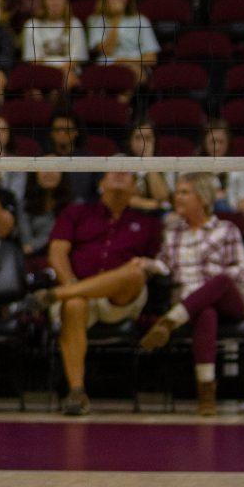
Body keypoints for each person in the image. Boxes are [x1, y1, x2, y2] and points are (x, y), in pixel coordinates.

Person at [29, 172, 162, 415]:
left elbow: (156, 264)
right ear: (101, 183)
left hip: (120, 300)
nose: (119, 175)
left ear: (135, 187)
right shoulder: (76, 212)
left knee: (135, 272)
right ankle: (77, 392)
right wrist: (70, 283)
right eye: (113, 171)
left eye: (126, 174)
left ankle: (55, 295)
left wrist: (65, 291)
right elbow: (57, 253)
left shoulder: (148, 222)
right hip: (77, 289)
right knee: (75, 304)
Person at [139, 173, 244, 415]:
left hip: (229, 301)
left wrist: (210, 282)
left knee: (220, 279)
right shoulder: (173, 234)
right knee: (206, 312)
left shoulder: (226, 229)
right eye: (177, 192)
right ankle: (206, 393)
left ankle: (169, 321)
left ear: (201, 198)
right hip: (192, 305)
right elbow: (164, 265)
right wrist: (146, 265)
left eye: (183, 192)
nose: (176, 197)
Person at [87, 0, 160, 87]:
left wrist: (126, 61)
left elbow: (151, 58)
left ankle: (120, 104)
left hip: (134, 65)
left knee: (131, 74)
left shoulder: (141, 20)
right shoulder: (95, 20)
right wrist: (117, 18)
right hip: (107, 65)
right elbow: (107, 50)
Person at [21, 0, 88, 90]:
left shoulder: (75, 23)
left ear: (65, 1)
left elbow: (75, 60)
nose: (55, 2)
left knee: (66, 78)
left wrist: (59, 74)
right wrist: (52, 74)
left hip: (68, 71)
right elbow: (34, 60)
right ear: (43, 2)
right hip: (41, 71)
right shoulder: (31, 25)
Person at [199, 118, 244, 219]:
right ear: (204, 143)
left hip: (229, 218)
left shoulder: (239, 171)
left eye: (221, 142)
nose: (217, 147)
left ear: (228, 142)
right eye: (212, 142)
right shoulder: (192, 170)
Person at [21, 165, 71, 257]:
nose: (49, 173)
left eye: (54, 168)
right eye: (44, 167)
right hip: (31, 259)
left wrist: (34, 245)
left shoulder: (75, 205)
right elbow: (26, 244)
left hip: (65, 257)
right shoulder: (25, 204)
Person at [47, 109, 95, 202]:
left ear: (76, 132)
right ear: (51, 133)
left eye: (67, 129)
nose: (61, 133)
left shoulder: (89, 160)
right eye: (57, 130)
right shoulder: (42, 159)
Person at [127, 119, 173, 213]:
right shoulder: (118, 160)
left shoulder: (166, 164)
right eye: (138, 137)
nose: (143, 143)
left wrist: (148, 160)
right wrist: (153, 204)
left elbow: (162, 197)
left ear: (155, 141)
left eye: (147, 138)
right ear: (130, 140)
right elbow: (123, 198)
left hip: (157, 215)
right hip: (128, 213)